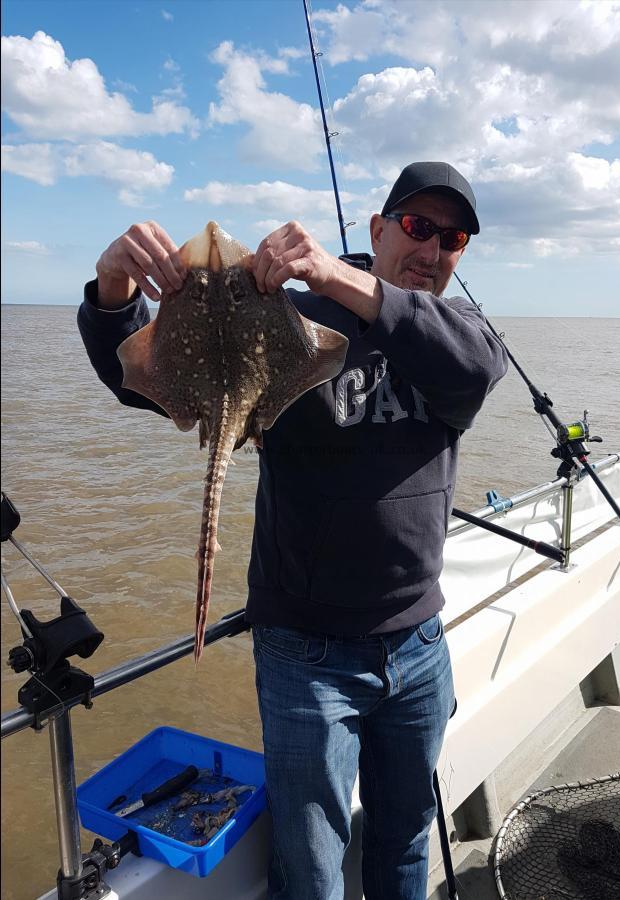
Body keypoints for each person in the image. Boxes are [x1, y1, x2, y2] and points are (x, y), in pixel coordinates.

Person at [78, 161, 508, 899]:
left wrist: (343, 277)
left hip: (418, 646)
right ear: (376, 229)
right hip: (307, 656)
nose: (432, 248)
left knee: (405, 835)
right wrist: (114, 290)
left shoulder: (456, 336)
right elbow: (148, 380)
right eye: (416, 226)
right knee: (309, 866)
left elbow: (477, 362)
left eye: (452, 238)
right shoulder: (299, 323)